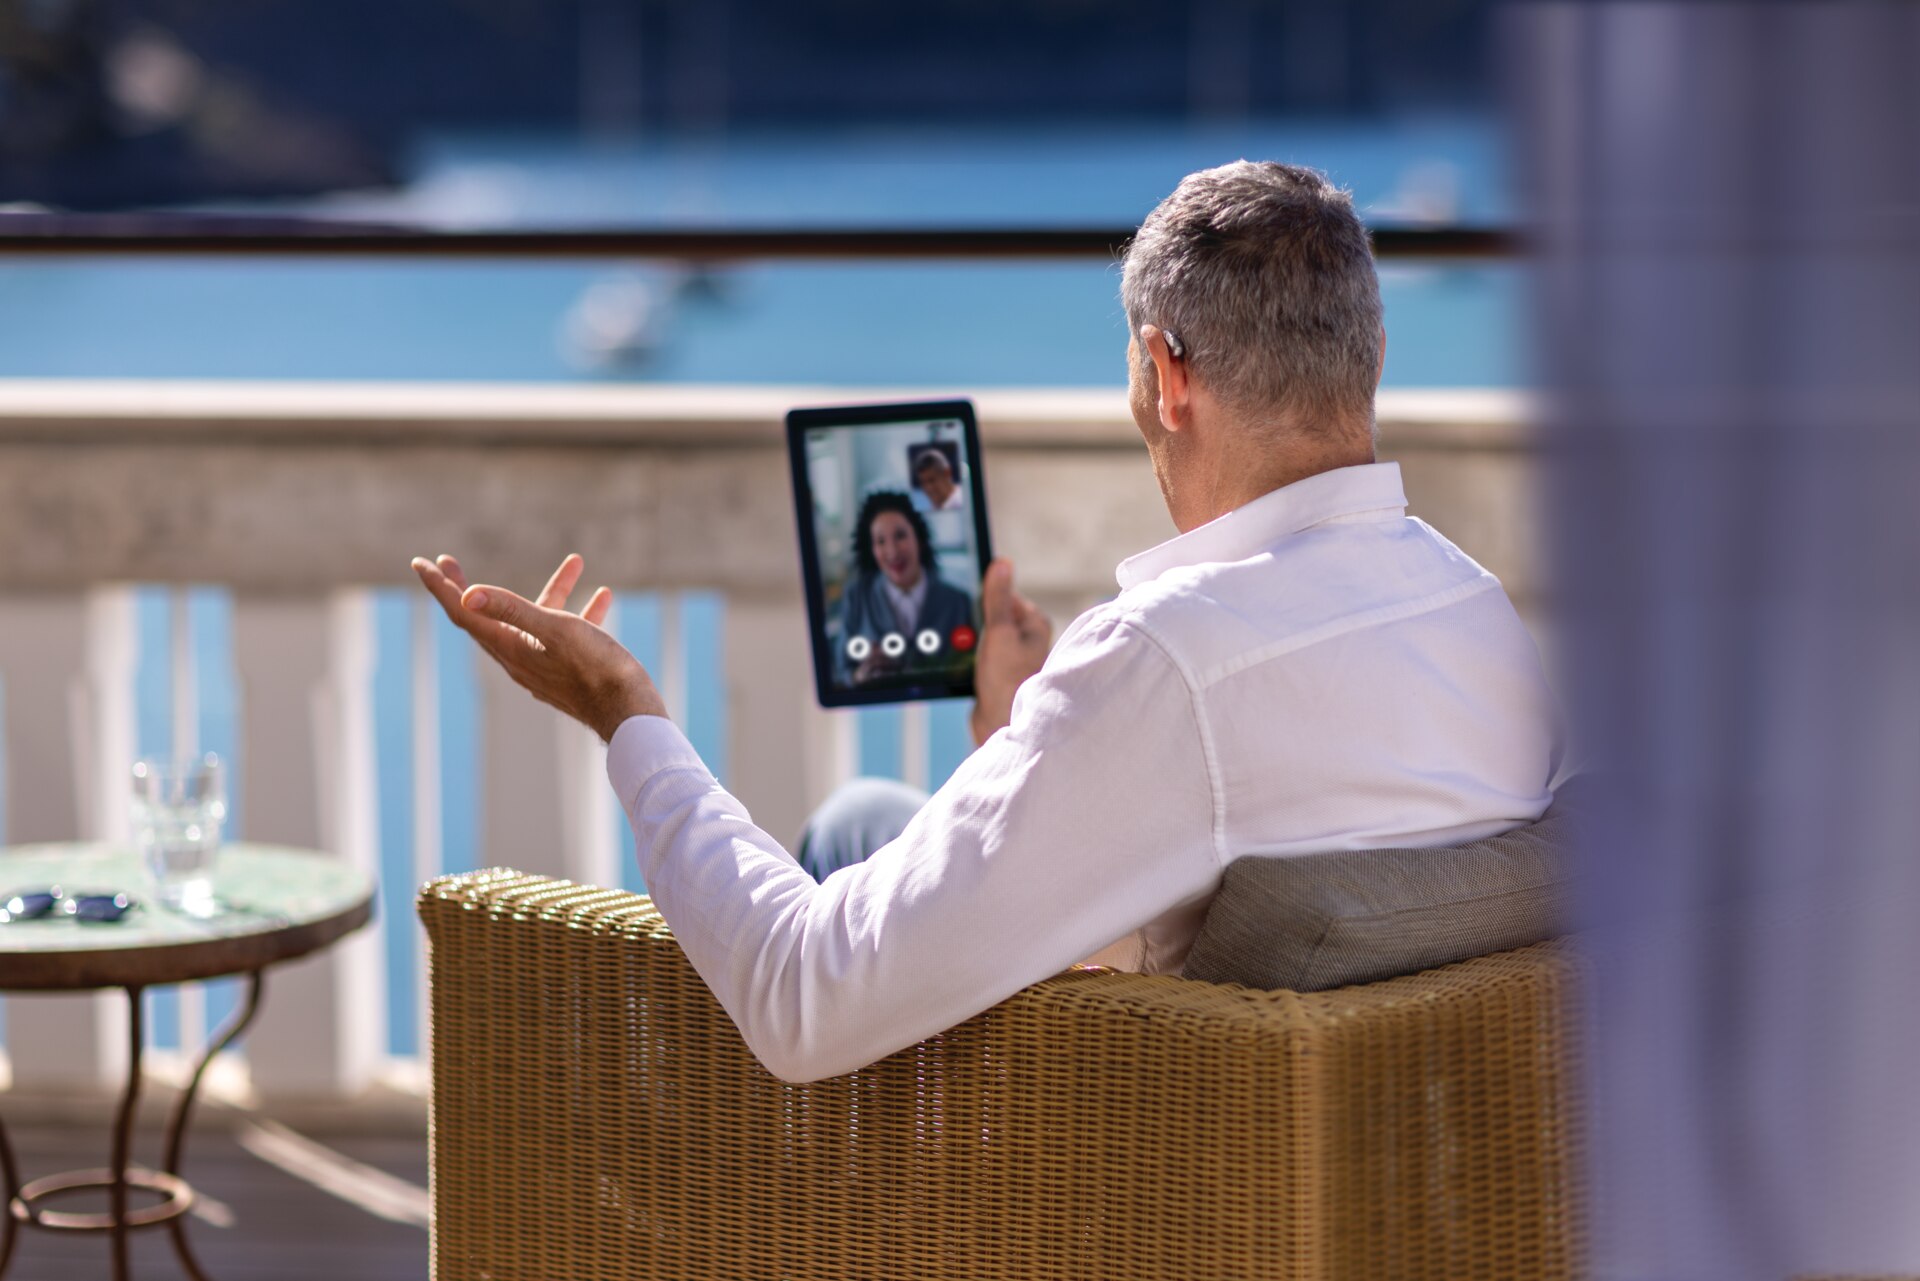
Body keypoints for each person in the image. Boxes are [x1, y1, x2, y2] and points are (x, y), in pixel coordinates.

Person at [412, 160, 1562, 1084]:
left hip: (1104, 1175)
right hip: (1366, 1175)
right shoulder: (1474, 614)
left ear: (1167, 374)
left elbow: (806, 1000)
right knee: (872, 812)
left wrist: (630, 719)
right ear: (1367, 359)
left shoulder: (1167, 661)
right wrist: (1029, 737)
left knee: (836, 853)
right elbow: (1240, 831)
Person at [833, 490, 975, 685]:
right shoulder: (856, 597)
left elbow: (974, 669)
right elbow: (842, 671)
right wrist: (862, 676)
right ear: (871, 550)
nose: (892, 551)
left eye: (900, 536)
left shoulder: (959, 602)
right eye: (880, 541)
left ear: (919, 538)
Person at [909, 447, 966, 512]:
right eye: (923, 482)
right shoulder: (934, 507)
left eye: (932, 480)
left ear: (947, 473)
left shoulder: (963, 501)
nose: (928, 488)